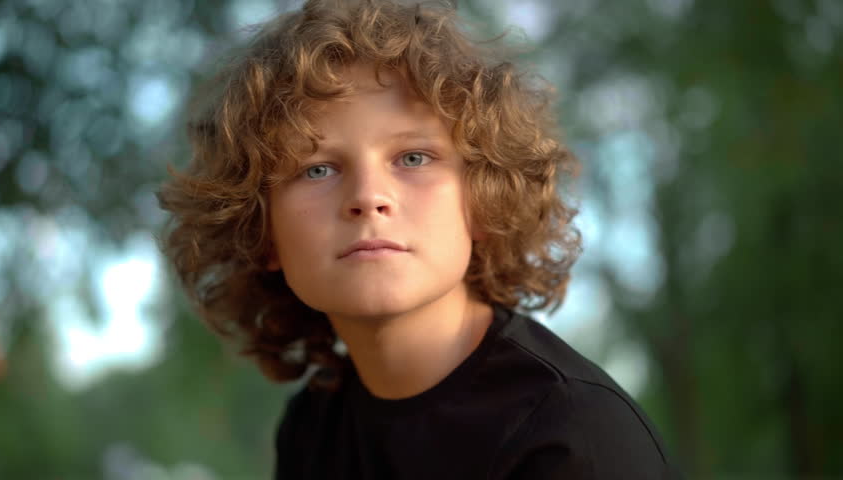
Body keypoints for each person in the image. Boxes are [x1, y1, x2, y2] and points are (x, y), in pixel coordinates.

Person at [157, 0, 683, 478]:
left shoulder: (574, 439)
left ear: (483, 202)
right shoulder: (311, 429)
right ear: (262, 233)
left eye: (413, 158)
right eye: (317, 169)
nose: (368, 197)